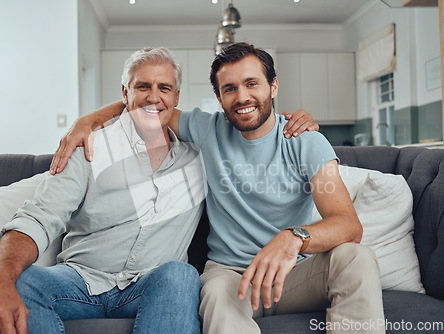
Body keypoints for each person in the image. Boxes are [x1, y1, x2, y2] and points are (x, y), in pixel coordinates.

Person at [50, 43, 385, 334]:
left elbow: (348, 225)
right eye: (230, 89)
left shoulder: (305, 141)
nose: (242, 97)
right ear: (219, 98)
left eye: (252, 83)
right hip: (230, 277)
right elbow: (147, 105)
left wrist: (293, 237)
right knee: (218, 303)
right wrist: (85, 121)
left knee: (356, 258)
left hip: (293, 274)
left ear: (273, 86)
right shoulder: (208, 129)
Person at [0, 47, 207, 334]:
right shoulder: (88, 147)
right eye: (143, 86)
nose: (153, 96)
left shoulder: (198, 158)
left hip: (151, 285)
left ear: (176, 97)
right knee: (26, 281)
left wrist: (283, 129)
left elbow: (248, 136)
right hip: (80, 280)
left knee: (181, 275)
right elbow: (39, 217)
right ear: (125, 93)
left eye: (164, 88)